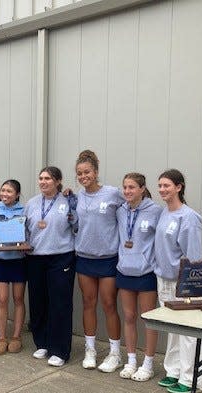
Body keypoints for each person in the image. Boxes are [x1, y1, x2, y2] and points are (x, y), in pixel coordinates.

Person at [69, 150, 124, 371]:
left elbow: (133, 205)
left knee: (109, 304)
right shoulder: (77, 197)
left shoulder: (113, 193)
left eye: (87, 172)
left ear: (96, 172)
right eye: (80, 173)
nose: (83, 177)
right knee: (88, 303)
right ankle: (90, 349)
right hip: (84, 257)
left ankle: (115, 353)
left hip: (108, 258)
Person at [154, 169, 202, 393]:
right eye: (160, 186)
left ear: (179, 187)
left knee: (188, 331)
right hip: (163, 279)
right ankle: (173, 371)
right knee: (172, 329)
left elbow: (193, 255)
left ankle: (191, 378)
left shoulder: (189, 217)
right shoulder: (164, 213)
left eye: (167, 186)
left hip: (184, 282)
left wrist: (189, 283)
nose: (163, 190)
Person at [25, 166, 76, 367]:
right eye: (41, 178)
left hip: (61, 257)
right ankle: (42, 343)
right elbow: (24, 228)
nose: (43, 182)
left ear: (58, 181)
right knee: (38, 302)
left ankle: (60, 349)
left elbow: (76, 226)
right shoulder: (31, 203)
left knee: (60, 303)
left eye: (48, 178)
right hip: (35, 257)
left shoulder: (68, 201)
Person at [115, 173, 162, 381]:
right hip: (125, 269)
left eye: (132, 187)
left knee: (149, 319)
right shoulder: (120, 210)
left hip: (146, 272)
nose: (127, 191)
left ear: (142, 189)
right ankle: (131, 359)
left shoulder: (155, 211)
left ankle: (148, 363)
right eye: (125, 187)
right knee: (129, 317)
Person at [0, 179, 27, 355]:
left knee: (18, 299)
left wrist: (26, 245)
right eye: (3, 191)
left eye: (9, 191)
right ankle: (2, 338)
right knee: (1, 299)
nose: (5, 194)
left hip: (18, 261)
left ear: (17, 194)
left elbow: (28, 233)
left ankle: (16, 337)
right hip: (0, 261)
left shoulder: (24, 211)